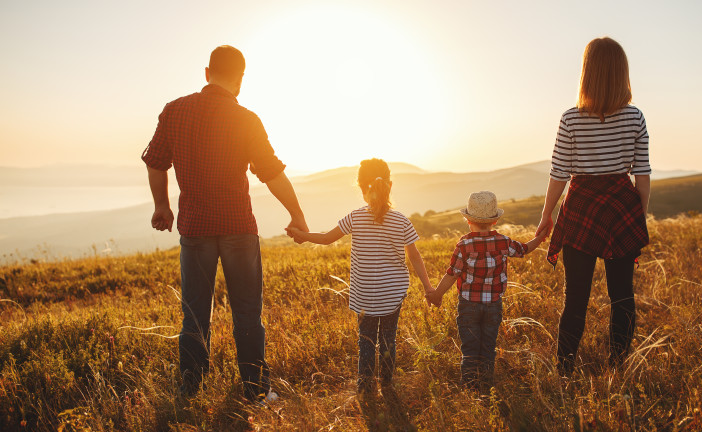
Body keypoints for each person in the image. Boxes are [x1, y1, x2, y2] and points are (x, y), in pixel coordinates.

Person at [141, 45, 308, 402]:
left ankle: (190, 388)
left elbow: (155, 162)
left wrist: (162, 207)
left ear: (207, 73)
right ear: (241, 79)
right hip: (238, 228)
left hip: (195, 229)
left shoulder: (175, 111)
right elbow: (272, 173)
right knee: (247, 312)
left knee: (195, 314)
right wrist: (296, 214)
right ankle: (255, 390)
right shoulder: (246, 118)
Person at [535, 37, 651, 375]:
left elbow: (559, 173)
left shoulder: (570, 119)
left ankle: (565, 371)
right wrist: (638, 217)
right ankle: (618, 368)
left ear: (587, 73)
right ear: (621, 72)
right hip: (621, 206)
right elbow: (641, 173)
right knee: (622, 296)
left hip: (581, 206)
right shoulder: (636, 117)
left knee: (576, 299)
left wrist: (547, 215)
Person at [286, 158, 432, 395]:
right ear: (390, 185)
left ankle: (364, 388)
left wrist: (301, 235)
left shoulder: (354, 217)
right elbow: (415, 257)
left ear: (362, 189)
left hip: (364, 296)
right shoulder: (402, 221)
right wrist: (428, 288)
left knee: (366, 342)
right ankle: (387, 384)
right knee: (388, 340)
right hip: (392, 295)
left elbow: (325, 239)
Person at [427, 191, 545, 393]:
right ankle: (486, 387)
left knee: (470, 349)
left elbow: (452, 274)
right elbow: (525, 249)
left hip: (468, 305)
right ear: (495, 220)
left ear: (467, 219)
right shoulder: (503, 242)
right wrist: (541, 237)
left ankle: (470, 389)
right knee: (488, 347)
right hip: (493, 305)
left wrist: (437, 294)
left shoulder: (463, 245)